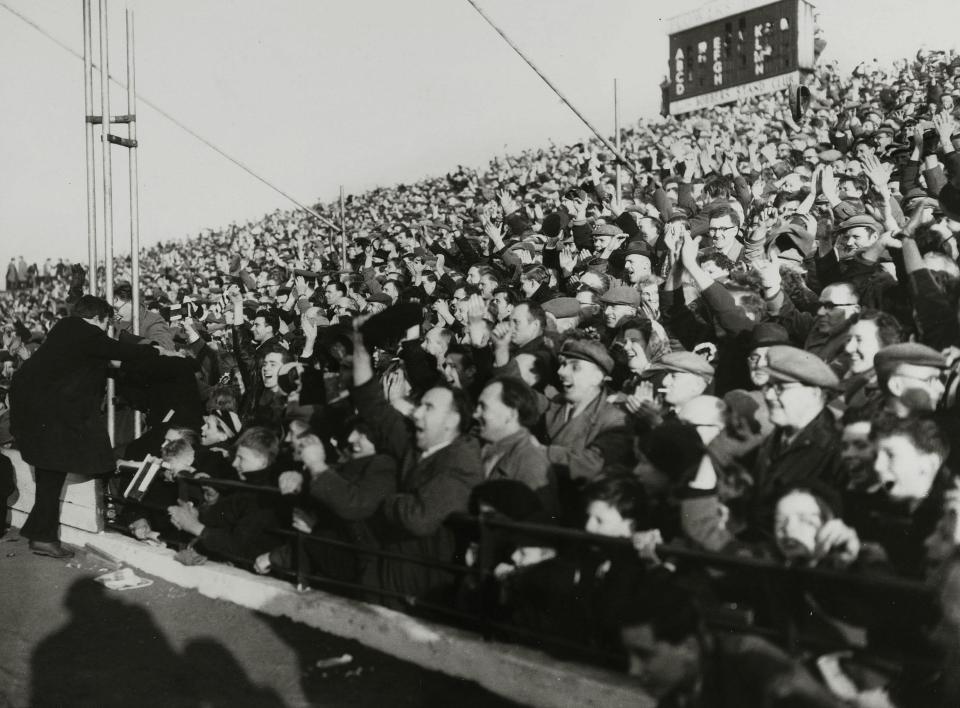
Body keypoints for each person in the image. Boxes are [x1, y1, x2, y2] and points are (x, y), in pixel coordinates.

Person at [10, 295, 163, 557]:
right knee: (91, 464)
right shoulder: (87, 333)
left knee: (50, 476)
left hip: (35, 416)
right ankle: (44, 536)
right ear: (98, 319)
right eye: (106, 325)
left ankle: (40, 534)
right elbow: (121, 351)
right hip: (56, 419)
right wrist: (155, 350)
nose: (106, 331)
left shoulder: (64, 331)